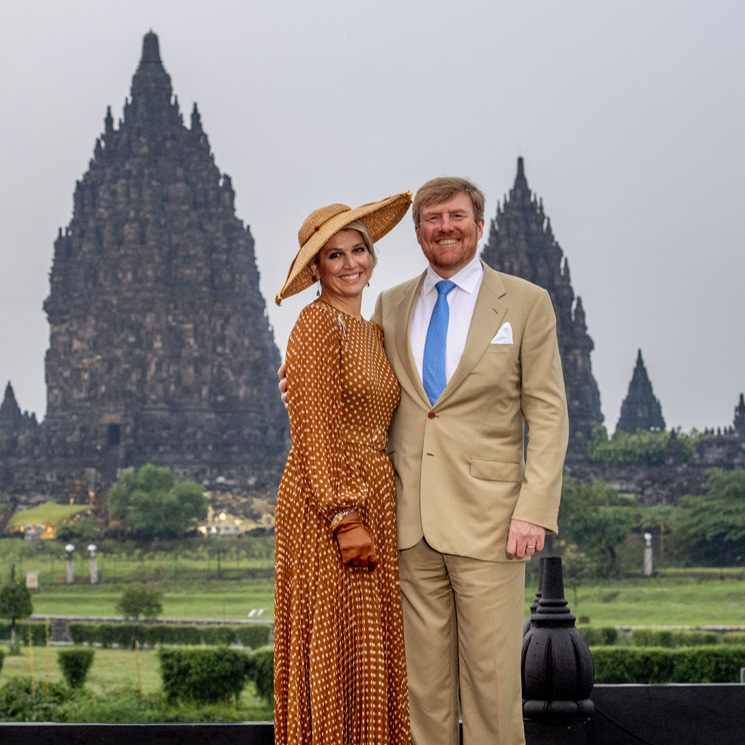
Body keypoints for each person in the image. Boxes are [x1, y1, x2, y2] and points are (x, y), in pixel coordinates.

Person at [370, 177, 568, 745]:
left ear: (479, 225)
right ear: (417, 232)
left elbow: (548, 414)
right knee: (421, 692)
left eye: (456, 216)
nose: (445, 228)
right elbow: (370, 393)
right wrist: (301, 382)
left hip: (493, 523)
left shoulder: (526, 302)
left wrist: (535, 509)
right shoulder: (392, 303)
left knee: (491, 684)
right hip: (411, 522)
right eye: (432, 219)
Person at [273, 191, 413, 745]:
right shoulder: (316, 326)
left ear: (373, 258)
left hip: (374, 493)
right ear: (316, 268)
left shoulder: (374, 334)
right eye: (334, 255)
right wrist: (341, 515)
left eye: (360, 249)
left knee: (370, 645)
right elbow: (311, 432)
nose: (351, 262)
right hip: (327, 502)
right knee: (333, 638)